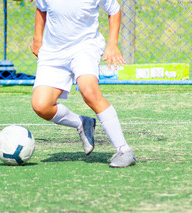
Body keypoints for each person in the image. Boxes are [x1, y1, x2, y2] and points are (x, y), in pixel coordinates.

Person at [30, 0, 136, 168]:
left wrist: (112, 44)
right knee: (41, 106)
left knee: (89, 91)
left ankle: (124, 150)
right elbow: (41, 8)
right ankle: (81, 123)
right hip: (53, 51)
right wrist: (37, 38)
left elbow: (114, 10)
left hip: (85, 47)